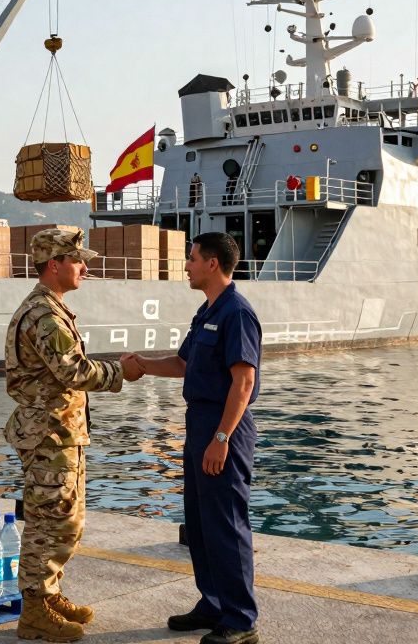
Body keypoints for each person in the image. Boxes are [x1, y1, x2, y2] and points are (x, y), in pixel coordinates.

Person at [5, 228, 143, 642]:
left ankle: (48, 595)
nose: (84, 266)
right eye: (77, 259)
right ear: (55, 264)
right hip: (48, 436)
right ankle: (34, 611)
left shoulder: (50, 308)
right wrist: (123, 372)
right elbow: (74, 371)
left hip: (56, 433)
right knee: (50, 522)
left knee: (63, 521)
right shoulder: (44, 315)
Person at [125, 232, 260, 644]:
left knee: (225, 523)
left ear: (213, 263)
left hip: (224, 428)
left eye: (192, 258)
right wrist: (143, 365)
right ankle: (213, 602)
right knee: (200, 523)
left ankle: (240, 620)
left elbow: (244, 381)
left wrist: (221, 437)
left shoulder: (237, 313)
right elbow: (184, 363)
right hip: (200, 424)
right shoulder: (207, 311)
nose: (186, 265)